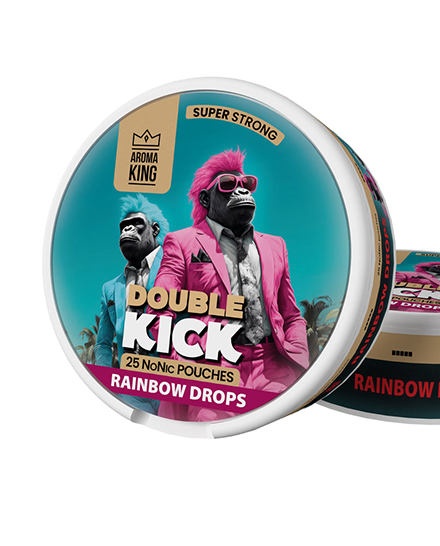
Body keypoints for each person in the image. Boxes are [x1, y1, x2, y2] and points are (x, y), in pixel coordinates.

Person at [148, 148, 309, 421]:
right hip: (212, 368)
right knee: (209, 433)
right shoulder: (182, 242)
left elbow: (291, 314)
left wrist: (299, 356)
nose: (241, 189)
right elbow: (158, 307)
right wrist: (183, 360)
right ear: (206, 198)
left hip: (274, 366)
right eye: (227, 184)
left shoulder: (276, 246)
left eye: (247, 184)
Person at [94, 194, 169, 415]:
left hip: (171, 381)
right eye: (124, 226)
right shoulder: (110, 287)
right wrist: (105, 380)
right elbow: (102, 343)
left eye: (136, 223)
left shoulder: (177, 267)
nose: (127, 229)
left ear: (154, 229)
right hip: (130, 386)